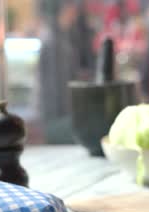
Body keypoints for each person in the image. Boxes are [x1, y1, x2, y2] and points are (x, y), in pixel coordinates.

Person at [34, 0, 93, 144]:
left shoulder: (61, 36)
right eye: (72, 10)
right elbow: (54, 86)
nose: (75, 15)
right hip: (55, 115)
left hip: (57, 114)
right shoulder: (54, 42)